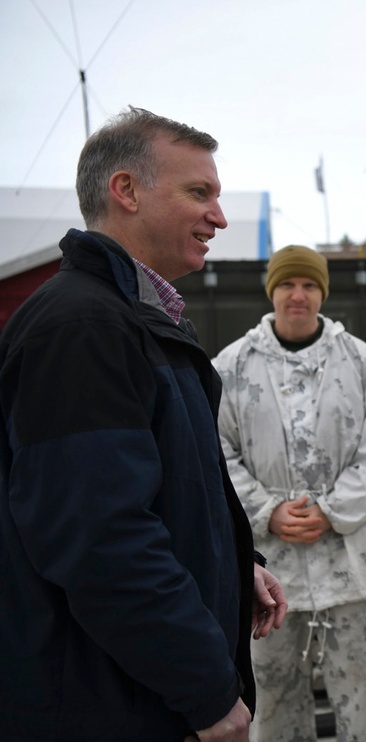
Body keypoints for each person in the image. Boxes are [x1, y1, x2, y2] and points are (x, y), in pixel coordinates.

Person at [0, 106, 287, 742]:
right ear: (125, 190)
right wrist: (207, 693)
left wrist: (237, 563)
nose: (220, 216)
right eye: (199, 193)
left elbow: (164, 494)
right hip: (106, 705)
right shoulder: (82, 330)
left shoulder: (136, 322)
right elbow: (100, 540)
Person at [213, 244, 366, 741]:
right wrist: (267, 511)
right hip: (267, 580)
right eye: (288, 284)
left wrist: (331, 510)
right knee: (271, 700)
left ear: (322, 293)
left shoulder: (361, 363)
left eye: (310, 285)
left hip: (352, 570)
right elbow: (217, 455)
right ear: (272, 290)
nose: (298, 295)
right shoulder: (231, 368)